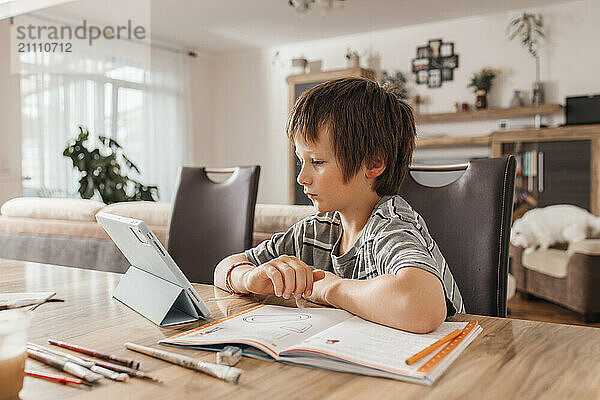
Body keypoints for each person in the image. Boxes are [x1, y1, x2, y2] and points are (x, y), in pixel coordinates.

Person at [214, 77, 464, 334]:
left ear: (374, 163)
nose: (302, 177)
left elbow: (422, 308)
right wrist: (249, 278)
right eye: (302, 161)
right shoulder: (315, 231)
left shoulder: (391, 225)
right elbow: (223, 268)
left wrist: (329, 288)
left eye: (318, 162)